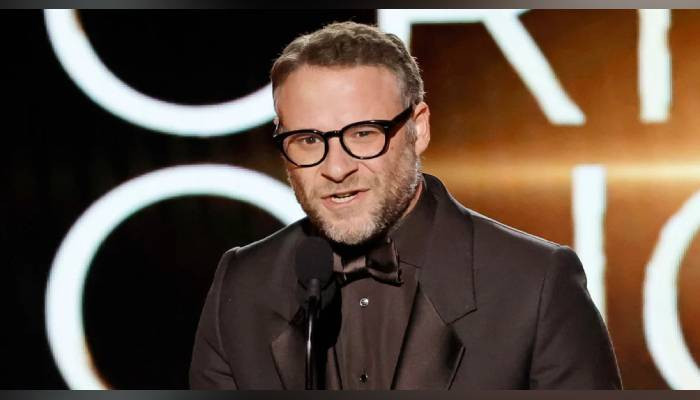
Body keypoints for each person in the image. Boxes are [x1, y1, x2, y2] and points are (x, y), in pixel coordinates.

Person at [189, 21, 622, 390]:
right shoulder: (242, 286)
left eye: (363, 134)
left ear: (419, 129)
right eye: (307, 140)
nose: (336, 168)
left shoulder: (533, 283)